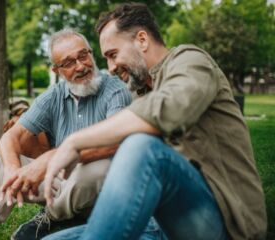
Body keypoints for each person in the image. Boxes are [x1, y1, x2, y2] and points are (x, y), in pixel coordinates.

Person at [42, 3, 267, 240]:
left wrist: (74, 142)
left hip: (226, 223)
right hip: (162, 223)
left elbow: (168, 110)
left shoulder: (190, 60)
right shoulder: (142, 90)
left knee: (141, 147)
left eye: (113, 55)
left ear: (142, 40)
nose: (111, 68)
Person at [0, 29, 163, 240]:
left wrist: (51, 159)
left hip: (104, 189)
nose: (81, 66)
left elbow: (116, 141)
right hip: (61, 181)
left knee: (98, 167)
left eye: (83, 55)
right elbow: (10, 137)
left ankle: (52, 217)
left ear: (91, 53)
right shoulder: (53, 96)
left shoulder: (115, 90)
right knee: (1, 165)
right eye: (69, 63)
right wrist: (12, 170)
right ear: (57, 70)